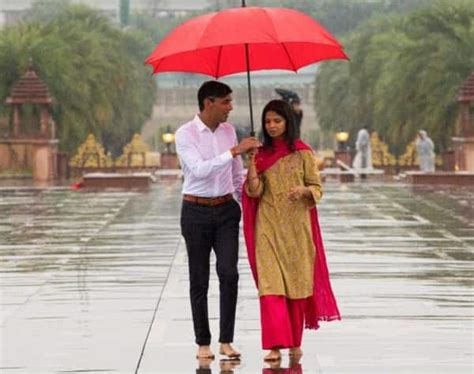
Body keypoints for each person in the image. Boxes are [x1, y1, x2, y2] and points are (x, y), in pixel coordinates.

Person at [242, 100, 340, 362]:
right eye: (268, 121)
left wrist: (304, 191)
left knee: (296, 287)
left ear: (288, 122)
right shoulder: (260, 154)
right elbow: (254, 191)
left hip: (297, 230)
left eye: (277, 121)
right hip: (268, 229)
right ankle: (274, 345)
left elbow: (317, 189)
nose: (272, 126)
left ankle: (294, 341)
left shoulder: (303, 152)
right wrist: (252, 165)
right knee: (270, 286)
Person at [175, 80, 261, 360]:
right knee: (199, 279)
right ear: (208, 102)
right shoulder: (185, 134)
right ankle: (203, 342)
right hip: (195, 211)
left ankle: (226, 340)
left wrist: (246, 195)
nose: (230, 107)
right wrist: (234, 151)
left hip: (226, 210)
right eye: (225, 102)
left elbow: (235, 174)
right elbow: (199, 170)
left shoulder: (229, 131)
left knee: (229, 273)